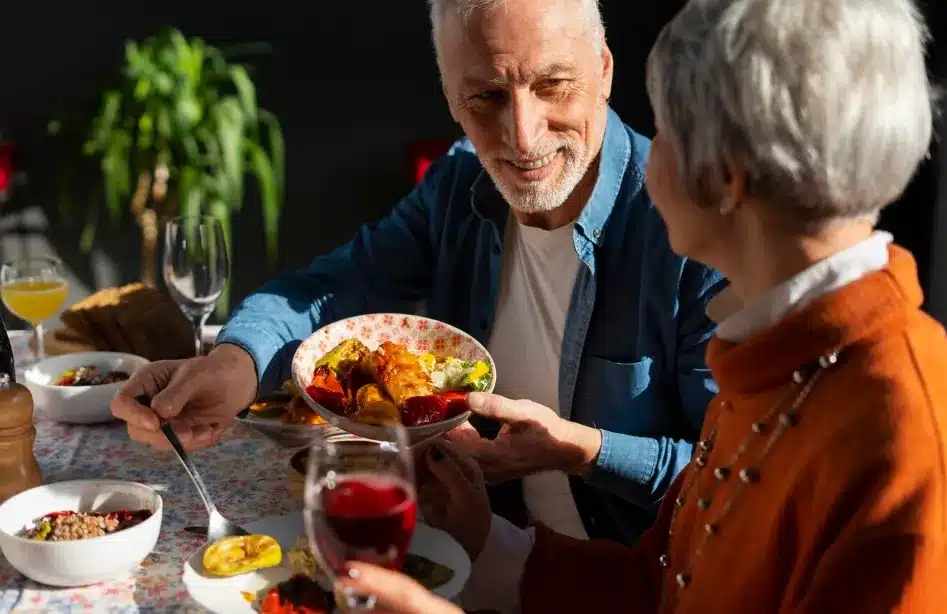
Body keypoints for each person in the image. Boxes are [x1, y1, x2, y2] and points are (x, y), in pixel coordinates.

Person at [332, 0, 947, 612]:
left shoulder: (906, 429)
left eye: (669, 133)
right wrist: (487, 540)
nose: (645, 154)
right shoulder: (771, 356)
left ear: (725, 176)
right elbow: (665, 589)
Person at [111, 0, 723, 546]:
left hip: (625, 580)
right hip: (470, 555)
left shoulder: (693, 227)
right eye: (486, 97)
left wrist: (582, 451)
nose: (522, 133)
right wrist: (229, 369)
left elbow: (732, 481)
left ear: (605, 69)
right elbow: (331, 289)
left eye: (554, 85)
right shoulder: (459, 185)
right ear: (450, 95)